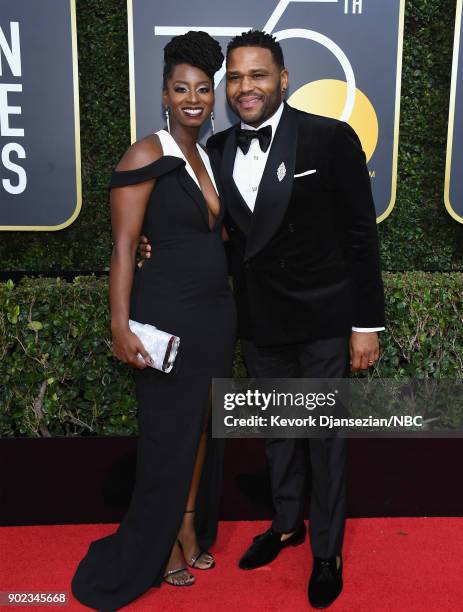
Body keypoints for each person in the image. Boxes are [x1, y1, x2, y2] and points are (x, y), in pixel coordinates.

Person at [139, 30, 385, 608]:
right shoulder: (216, 151)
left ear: (283, 79)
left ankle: (327, 550)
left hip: (324, 318)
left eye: (259, 75)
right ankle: (285, 524)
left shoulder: (330, 138)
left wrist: (366, 324)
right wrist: (153, 245)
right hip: (257, 321)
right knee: (277, 433)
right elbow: (206, 233)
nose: (246, 87)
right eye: (238, 78)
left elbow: (360, 237)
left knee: (323, 439)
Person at [71, 31, 237, 611]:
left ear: (212, 97)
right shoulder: (146, 153)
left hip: (218, 315)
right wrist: (120, 324)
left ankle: (189, 525)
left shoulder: (209, 158)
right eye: (180, 88)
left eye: (202, 89)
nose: (193, 98)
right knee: (168, 432)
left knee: (199, 432)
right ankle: (160, 538)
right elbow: (123, 247)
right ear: (164, 95)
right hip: (166, 314)